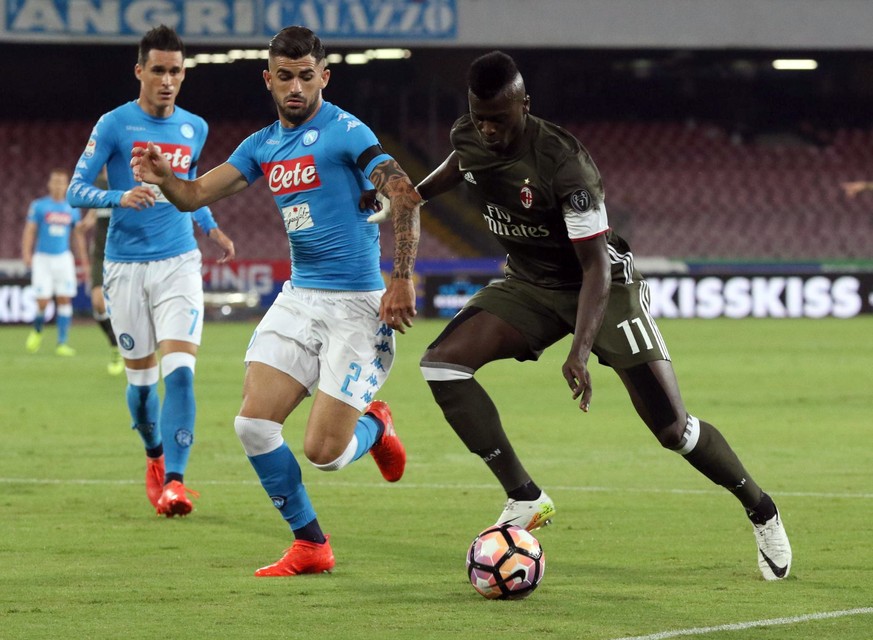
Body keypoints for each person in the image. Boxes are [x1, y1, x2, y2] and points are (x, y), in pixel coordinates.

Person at [412, 51, 792, 581]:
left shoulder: (566, 164)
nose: (488, 129)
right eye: (479, 117)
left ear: (524, 104)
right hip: (529, 282)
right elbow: (461, 162)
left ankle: (761, 508)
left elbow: (595, 267)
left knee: (671, 428)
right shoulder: (470, 134)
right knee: (442, 364)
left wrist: (580, 351)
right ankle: (525, 496)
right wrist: (412, 195)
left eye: (498, 117)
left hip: (603, 288)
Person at [131, 25, 422, 576]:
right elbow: (193, 195)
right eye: (284, 77)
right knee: (252, 426)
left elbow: (404, 194)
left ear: (323, 77)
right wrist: (167, 177)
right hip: (299, 299)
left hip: (357, 306)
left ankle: (376, 426)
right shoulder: (262, 145)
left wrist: (401, 277)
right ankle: (311, 544)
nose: (295, 87)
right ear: (268, 79)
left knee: (326, 455)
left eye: (306, 77)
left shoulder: (346, 131)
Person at [67, 25, 236, 518]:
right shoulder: (114, 125)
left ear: (184, 75)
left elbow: (189, 190)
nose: (167, 80)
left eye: (175, 71)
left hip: (179, 263)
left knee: (180, 374)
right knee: (142, 394)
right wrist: (117, 196)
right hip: (124, 269)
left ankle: (177, 483)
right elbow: (77, 189)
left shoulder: (194, 128)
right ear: (140, 71)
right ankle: (155, 457)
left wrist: (210, 226)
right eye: (158, 70)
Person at [21, 168, 89, 356]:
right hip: (43, 258)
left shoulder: (72, 208)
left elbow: (78, 236)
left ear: (66, 185)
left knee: (64, 298)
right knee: (42, 302)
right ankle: (37, 329)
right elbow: (30, 230)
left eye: (62, 182)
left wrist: (84, 261)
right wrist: (26, 253)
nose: (59, 185)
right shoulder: (39, 206)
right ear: (50, 184)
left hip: (63, 258)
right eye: (56, 181)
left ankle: (62, 342)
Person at [79, 167, 125, 375]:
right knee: (98, 302)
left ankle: (136, 348)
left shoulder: (128, 181)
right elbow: (91, 216)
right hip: (100, 253)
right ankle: (116, 346)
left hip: (124, 252)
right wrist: (84, 226)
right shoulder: (97, 186)